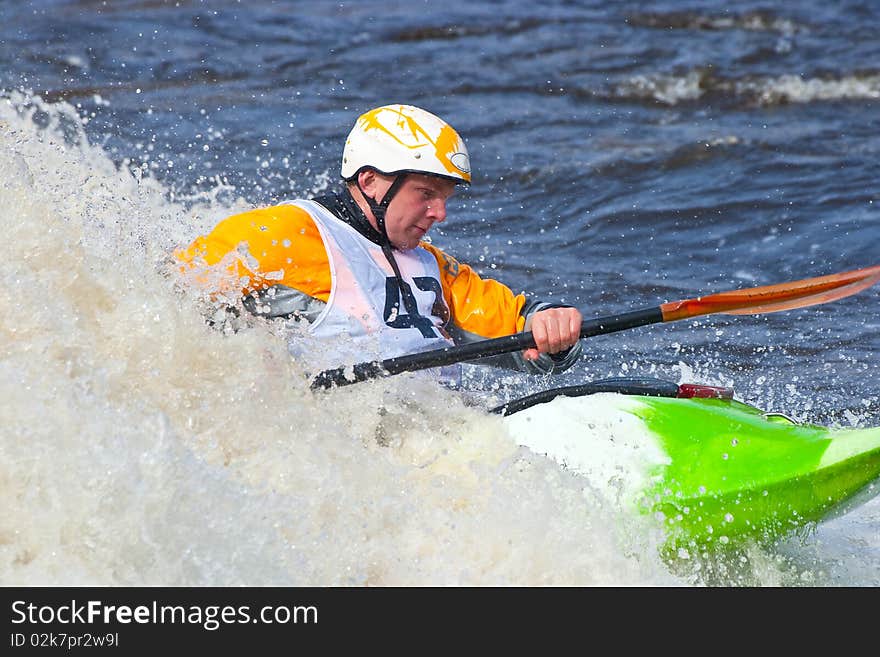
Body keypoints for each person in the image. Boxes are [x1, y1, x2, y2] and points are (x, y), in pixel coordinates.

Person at [175, 104, 583, 382]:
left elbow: (520, 332)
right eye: (426, 194)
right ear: (370, 181)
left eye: (445, 198)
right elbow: (160, 301)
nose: (440, 213)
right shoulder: (285, 231)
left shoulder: (432, 267)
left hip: (438, 437)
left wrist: (549, 326)